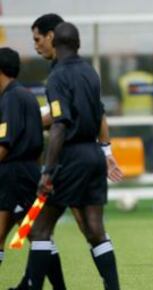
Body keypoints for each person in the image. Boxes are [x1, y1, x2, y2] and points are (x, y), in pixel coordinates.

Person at [20, 22, 121, 289]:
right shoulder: (90, 72)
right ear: (78, 44)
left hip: (71, 156)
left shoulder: (56, 77)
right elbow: (99, 114)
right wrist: (106, 151)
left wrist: (48, 171)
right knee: (95, 230)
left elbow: (60, 124)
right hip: (93, 154)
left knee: (39, 229)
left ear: (54, 41)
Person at [0, 48, 66, 290]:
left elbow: (5, 143)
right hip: (27, 172)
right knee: (37, 234)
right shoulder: (27, 96)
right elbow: (35, 138)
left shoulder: (9, 99)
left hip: (13, 176)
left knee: (35, 235)